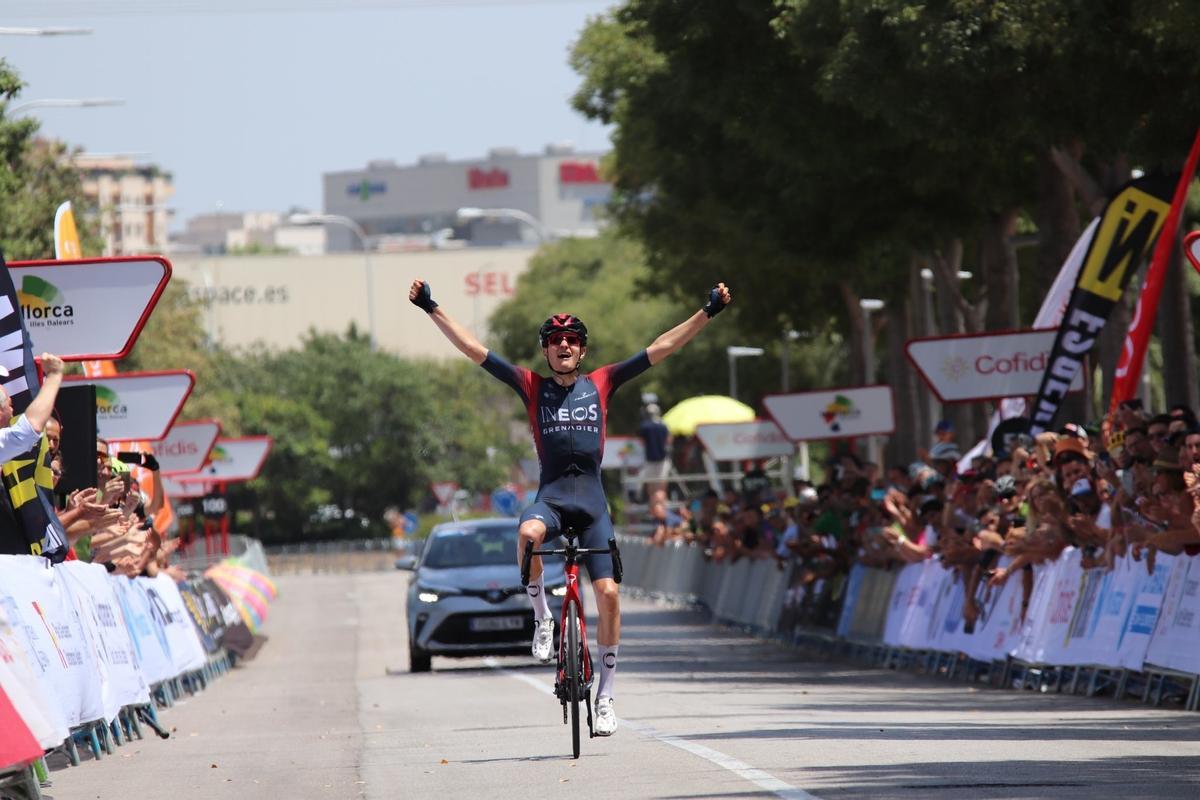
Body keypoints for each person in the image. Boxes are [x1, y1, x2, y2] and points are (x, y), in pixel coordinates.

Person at [410, 277, 731, 736]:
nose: (563, 345)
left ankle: (606, 696)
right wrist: (430, 306)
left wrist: (708, 311)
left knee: (611, 596)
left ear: (582, 350)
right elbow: (473, 348)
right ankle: (542, 619)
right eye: (555, 340)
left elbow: (661, 347)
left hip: (594, 506)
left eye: (571, 340)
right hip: (553, 500)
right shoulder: (530, 386)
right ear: (546, 351)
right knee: (527, 536)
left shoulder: (603, 382)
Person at [638, 403, 671, 499]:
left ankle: (653, 503)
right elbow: (668, 440)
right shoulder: (664, 426)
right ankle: (661, 503)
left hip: (650, 459)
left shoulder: (644, 426)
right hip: (663, 458)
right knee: (661, 483)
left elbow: (642, 441)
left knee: (651, 483)